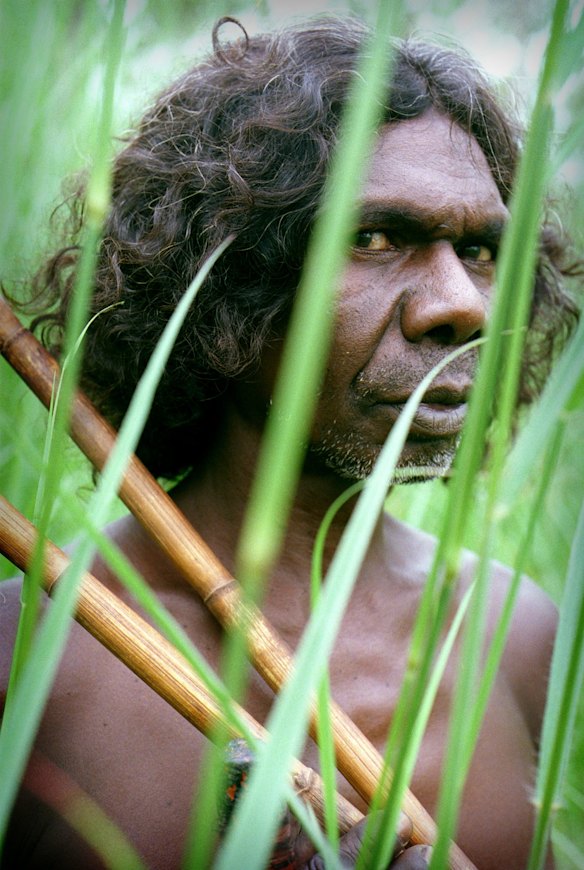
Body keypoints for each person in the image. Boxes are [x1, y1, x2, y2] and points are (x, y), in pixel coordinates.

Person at [0, 14, 580, 869]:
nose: (462, 305)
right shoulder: (31, 658)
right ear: (225, 280)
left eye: (482, 249)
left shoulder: (520, 636)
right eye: (376, 238)